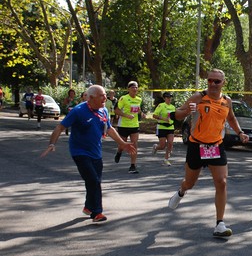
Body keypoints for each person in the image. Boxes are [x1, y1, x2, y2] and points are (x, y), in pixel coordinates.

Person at [167, 68, 249, 238]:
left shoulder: (227, 101)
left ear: (223, 83)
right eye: (210, 80)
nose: (212, 84)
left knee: (222, 182)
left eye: (216, 81)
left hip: (216, 146)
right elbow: (177, 114)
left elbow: (231, 118)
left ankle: (220, 223)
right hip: (196, 145)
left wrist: (240, 133)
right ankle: (181, 191)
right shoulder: (198, 97)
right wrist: (188, 111)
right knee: (190, 182)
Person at [40, 85, 136, 222]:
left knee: (94, 181)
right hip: (80, 152)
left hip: (96, 152)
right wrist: (52, 144)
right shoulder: (78, 111)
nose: (105, 98)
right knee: (93, 181)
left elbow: (109, 129)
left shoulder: (103, 111)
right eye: (101, 95)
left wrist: (122, 143)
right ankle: (97, 213)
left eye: (105, 95)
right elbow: (60, 127)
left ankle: (88, 206)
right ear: (90, 98)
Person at [114, 81, 143, 174]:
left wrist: (142, 113)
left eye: (136, 87)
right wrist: (126, 115)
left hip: (134, 125)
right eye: (132, 87)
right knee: (123, 144)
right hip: (123, 125)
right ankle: (119, 152)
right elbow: (116, 110)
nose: (135, 89)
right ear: (128, 89)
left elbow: (137, 109)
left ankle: (133, 165)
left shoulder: (139, 99)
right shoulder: (124, 98)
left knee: (134, 145)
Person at [152, 92, 176, 166]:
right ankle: (156, 147)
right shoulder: (161, 106)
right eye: (168, 97)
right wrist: (163, 118)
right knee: (162, 146)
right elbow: (154, 115)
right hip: (162, 127)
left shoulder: (173, 107)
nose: (169, 99)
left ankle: (166, 159)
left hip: (170, 127)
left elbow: (175, 116)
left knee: (170, 143)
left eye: (170, 98)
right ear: (164, 98)